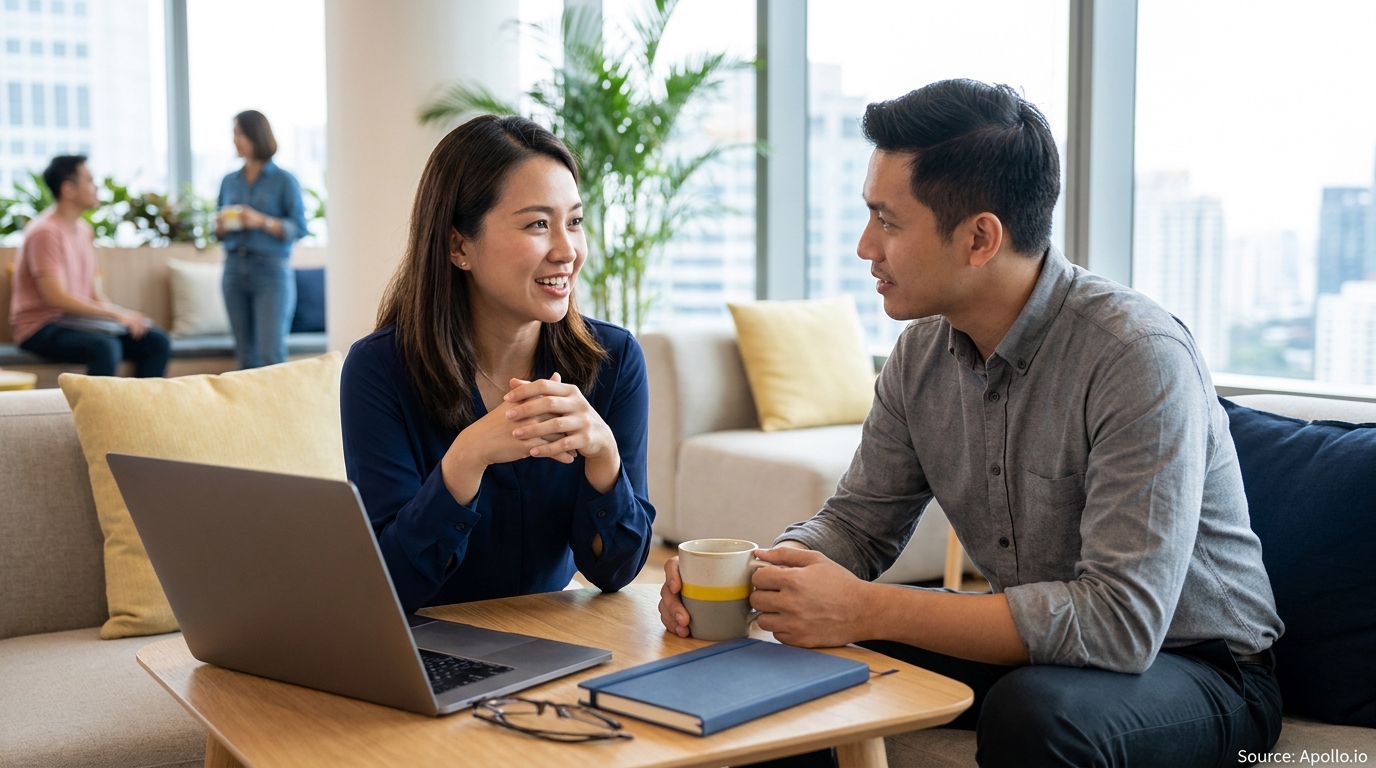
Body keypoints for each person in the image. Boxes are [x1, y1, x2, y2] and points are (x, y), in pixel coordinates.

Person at [659, 80, 1284, 768]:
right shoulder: (922, 352)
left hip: (1199, 665)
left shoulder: (1137, 357)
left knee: (1038, 714)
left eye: (888, 222)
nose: (866, 247)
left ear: (980, 237)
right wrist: (757, 577)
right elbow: (858, 525)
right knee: (780, 652)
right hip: (1043, 652)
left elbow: (1119, 624)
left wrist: (868, 608)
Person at [340, 115, 656, 613]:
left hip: (554, 646)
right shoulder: (379, 369)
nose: (567, 251)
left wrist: (604, 458)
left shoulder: (613, 360)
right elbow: (391, 587)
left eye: (574, 221)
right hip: (427, 653)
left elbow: (614, 572)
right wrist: (466, 460)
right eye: (537, 224)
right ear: (458, 246)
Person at [10, 155, 170, 377]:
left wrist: (120, 316)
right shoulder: (44, 231)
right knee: (104, 346)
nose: (96, 187)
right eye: (90, 181)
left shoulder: (85, 230)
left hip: (77, 323)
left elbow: (92, 292)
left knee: (156, 341)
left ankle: (142, 411)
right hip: (41, 328)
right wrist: (116, 316)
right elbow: (55, 298)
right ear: (68, 189)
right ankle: (97, 413)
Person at [215, 110, 308, 369]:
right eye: (234, 134)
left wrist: (260, 221)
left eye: (239, 133)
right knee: (245, 358)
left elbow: (299, 227)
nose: (235, 140)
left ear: (256, 135)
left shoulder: (284, 180)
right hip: (234, 270)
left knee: (271, 355)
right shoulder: (229, 181)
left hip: (271, 273)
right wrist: (221, 226)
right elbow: (218, 232)